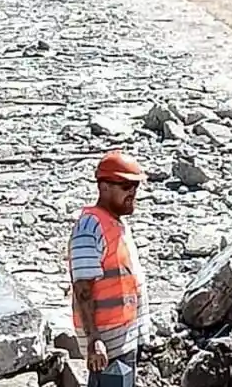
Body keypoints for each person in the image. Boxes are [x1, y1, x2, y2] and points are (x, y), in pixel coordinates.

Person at [68, 150, 152, 385]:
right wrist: (94, 339)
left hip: (123, 335)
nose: (133, 192)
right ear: (104, 187)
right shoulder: (89, 228)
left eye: (136, 186)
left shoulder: (116, 223)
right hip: (107, 340)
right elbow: (82, 289)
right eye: (126, 186)